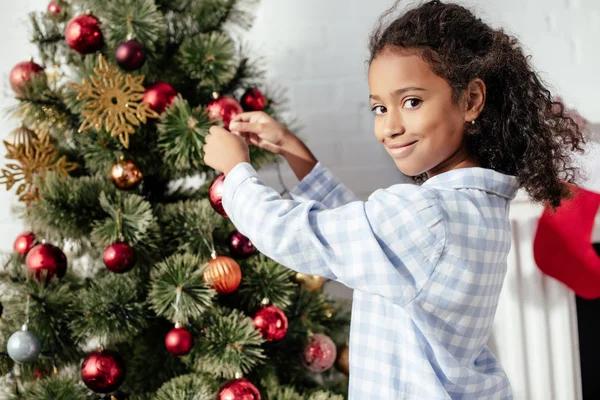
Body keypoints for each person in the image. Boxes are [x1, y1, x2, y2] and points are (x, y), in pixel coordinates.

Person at [203, 0, 585, 398]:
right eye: (379, 108)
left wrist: (237, 173)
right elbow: (363, 237)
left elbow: (297, 235)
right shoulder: (474, 205)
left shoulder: (429, 216)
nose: (390, 127)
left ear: (471, 100)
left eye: (412, 102)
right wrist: (292, 150)